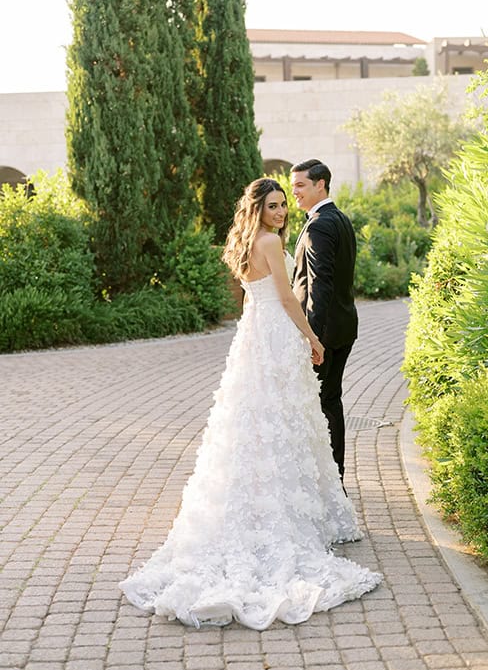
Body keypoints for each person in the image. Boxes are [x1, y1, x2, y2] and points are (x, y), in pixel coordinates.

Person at [119, 178, 381, 630]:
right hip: (276, 335)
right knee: (284, 418)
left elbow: (250, 302)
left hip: (255, 337)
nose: (281, 212)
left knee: (258, 421)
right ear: (258, 208)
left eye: (284, 205)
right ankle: (280, 514)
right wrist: (312, 336)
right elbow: (285, 298)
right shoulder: (271, 243)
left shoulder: (244, 243)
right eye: (274, 206)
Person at [291, 160, 358, 482]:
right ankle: (335, 477)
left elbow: (321, 283)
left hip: (326, 332)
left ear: (321, 184)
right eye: (293, 187)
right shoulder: (340, 219)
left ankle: (328, 479)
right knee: (331, 401)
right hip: (344, 325)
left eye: (301, 185)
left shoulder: (319, 224)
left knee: (320, 405)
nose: (295, 193)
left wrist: (312, 337)